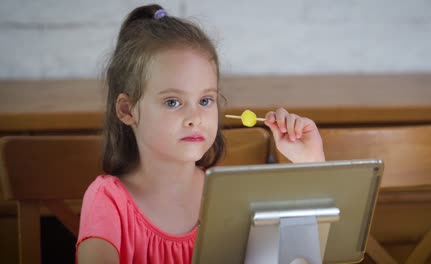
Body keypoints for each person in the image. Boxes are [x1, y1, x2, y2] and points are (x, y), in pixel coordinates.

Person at [76, 4, 325, 263]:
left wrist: (309, 162)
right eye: (173, 102)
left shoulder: (228, 196)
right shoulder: (107, 202)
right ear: (128, 110)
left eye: (206, 100)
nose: (195, 118)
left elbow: (305, 252)